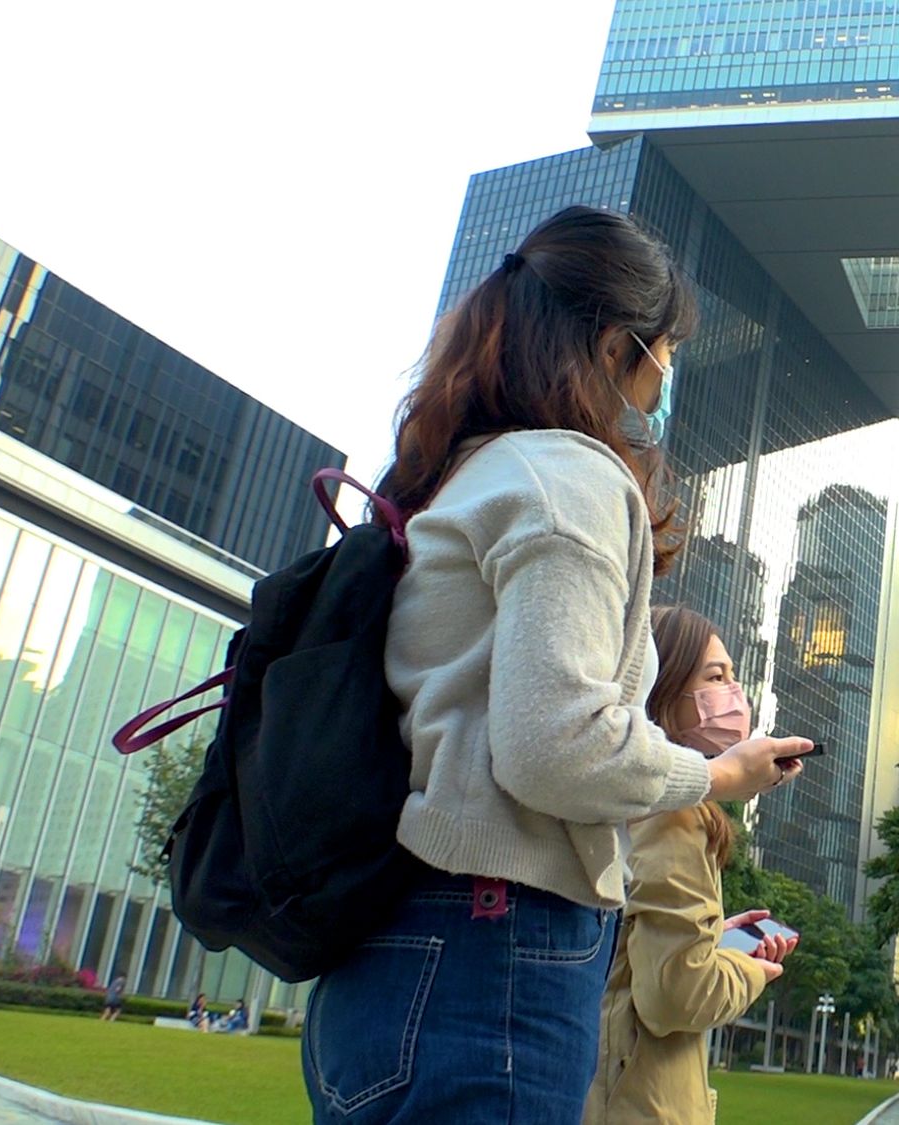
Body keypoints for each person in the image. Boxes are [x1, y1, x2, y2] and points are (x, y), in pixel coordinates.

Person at [301, 206, 811, 1125]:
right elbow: (554, 747)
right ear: (619, 346)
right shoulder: (570, 479)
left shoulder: (467, 470)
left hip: (398, 944)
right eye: (667, 351)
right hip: (492, 951)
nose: (666, 378)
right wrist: (717, 774)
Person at [586, 607, 798, 1125]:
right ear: (660, 692)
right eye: (715, 677)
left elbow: (631, 955)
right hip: (638, 1105)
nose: (735, 694)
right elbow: (678, 996)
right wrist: (750, 969)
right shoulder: (677, 813)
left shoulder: (621, 799)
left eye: (734, 677)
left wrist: (708, 938)